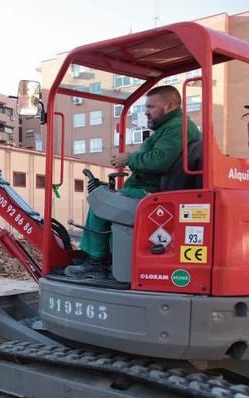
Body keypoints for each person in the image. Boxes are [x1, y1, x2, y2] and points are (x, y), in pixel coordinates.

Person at [65, 85, 202, 279]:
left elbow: (159, 160)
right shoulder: (172, 127)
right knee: (106, 199)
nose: (146, 112)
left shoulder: (177, 128)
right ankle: (102, 258)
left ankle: (96, 263)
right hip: (153, 190)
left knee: (100, 204)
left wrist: (128, 159)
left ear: (170, 106)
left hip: (151, 194)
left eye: (151, 107)